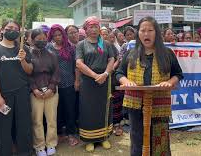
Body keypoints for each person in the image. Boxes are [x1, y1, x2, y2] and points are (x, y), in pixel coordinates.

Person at [116, 16, 183, 156]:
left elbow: (178, 74)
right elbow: (119, 73)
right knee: (137, 138)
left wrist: (169, 83)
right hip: (135, 104)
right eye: (142, 30)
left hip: (159, 103)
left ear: (156, 33)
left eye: (150, 30)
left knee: (159, 138)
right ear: (138, 33)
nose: (146, 34)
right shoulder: (131, 53)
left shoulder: (167, 53)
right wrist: (125, 81)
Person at [76, 16, 115, 152]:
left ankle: (104, 138)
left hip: (104, 80)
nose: (93, 30)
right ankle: (89, 140)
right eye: (90, 27)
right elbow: (79, 63)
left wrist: (104, 74)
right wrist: (94, 76)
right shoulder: (81, 45)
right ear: (86, 30)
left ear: (99, 28)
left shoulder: (106, 44)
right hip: (88, 81)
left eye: (96, 27)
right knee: (88, 109)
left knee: (104, 108)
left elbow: (111, 60)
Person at [0, 20, 33, 156]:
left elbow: (30, 71)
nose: (12, 30)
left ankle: (25, 152)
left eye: (15, 29)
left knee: (24, 125)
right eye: (9, 28)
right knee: (4, 127)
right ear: (2, 29)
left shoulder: (23, 49)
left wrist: (22, 60)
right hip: (4, 96)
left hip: (22, 93)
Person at [47, 24, 79, 147]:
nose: (58, 37)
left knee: (70, 109)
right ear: (51, 36)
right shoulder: (48, 47)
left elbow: (76, 66)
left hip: (69, 83)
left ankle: (71, 134)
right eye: (55, 35)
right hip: (53, 85)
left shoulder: (70, 48)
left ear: (63, 35)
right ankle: (60, 133)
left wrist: (77, 81)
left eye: (59, 34)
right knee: (57, 110)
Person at [29, 28, 60, 156]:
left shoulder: (52, 54)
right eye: (38, 39)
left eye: (43, 39)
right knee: (37, 120)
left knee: (51, 119)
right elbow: (27, 74)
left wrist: (51, 88)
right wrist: (34, 89)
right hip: (35, 92)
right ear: (32, 39)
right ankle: (39, 146)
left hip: (51, 91)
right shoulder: (28, 54)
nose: (41, 41)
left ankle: (51, 143)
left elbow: (56, 72)